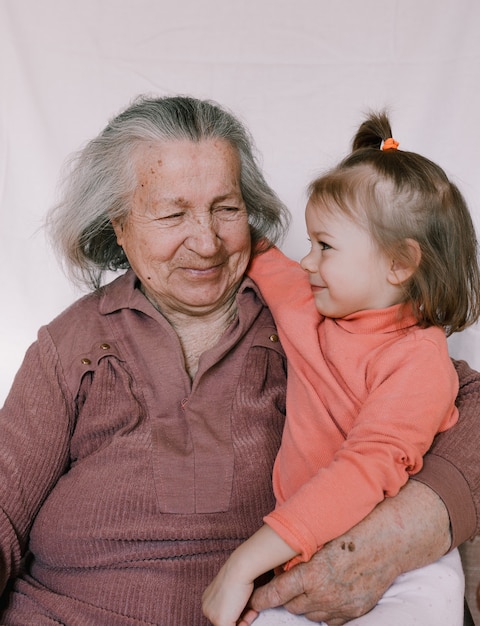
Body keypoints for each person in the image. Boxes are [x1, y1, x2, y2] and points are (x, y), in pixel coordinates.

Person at [0, 97, 479, 626]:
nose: (205, 242)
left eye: (226, 209)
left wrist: (412, 525)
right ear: (118, 225)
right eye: (172, 213)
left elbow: (457, 403)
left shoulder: (322, 320)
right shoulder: (71, 344)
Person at [202, 111, 480, 626]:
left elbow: (361, 472)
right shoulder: (307, 303)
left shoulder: (419, 363)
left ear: (400, 263)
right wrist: (210, 211)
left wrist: (242, 564)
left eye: (324, 246)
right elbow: (254, 249)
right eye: (309, 243)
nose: (306, 262)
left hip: (400, 569)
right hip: (297, 554)